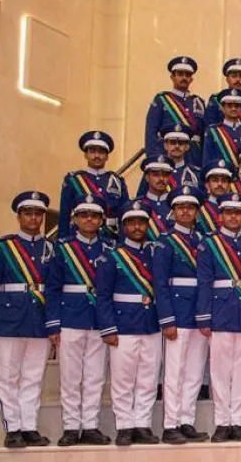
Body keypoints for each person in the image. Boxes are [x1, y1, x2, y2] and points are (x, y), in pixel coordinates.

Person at [0, 191, 56, 448]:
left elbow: (54, 289)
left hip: (40, 320)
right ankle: (12, 428)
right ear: (19, 216)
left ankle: (29, 426)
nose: (33, 218)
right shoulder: (3, 247)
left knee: (34, 377)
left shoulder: (51, 248)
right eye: (28, 213)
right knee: (9, 377)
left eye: (38, 213)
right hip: (9, 320)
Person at [95, 201, 164, 446]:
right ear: (123, 226)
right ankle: (124, 424)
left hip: (151, 323)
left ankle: (142, 423)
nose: (137, 227)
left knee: (148, 377)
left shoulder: (155, 253)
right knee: (123, 379)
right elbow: (102, 295)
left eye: (141, 222)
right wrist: (108, 327)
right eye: (132, 222)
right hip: (123, 324)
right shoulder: (112, 256)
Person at [46, 198, 112, 446]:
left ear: (101, 221)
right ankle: (71, 426)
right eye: (84, 215)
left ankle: (91, 425)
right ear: (75, 219)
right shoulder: (62, 248)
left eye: (94, 216)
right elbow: (52, 288)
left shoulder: (108, 248)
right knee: (71, 377)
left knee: (95, 377)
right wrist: (53, 323)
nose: (89, 220)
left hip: (98, 320)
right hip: (70, 317)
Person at [196, 194, 241, 442]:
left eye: (238, 212)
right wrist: (204, 316)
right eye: (229, 212)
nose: (234, 217)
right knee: (220, 372)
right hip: (221, 311)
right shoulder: (209, 244)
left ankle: (239, 421)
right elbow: (204, 282)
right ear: (219, 215)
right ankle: (223, 422)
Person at [153, 188, 208, 444]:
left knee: (195, 371)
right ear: (173, 211)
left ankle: (186, 419)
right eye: (181, 207)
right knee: (174, 372)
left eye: (190, 207)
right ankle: (170, 423)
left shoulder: (203, 240)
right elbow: (160, 283)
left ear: (197, 212)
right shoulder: (165, 242)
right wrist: (167, 318)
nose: (186, 211)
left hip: (198, 314)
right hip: (177, 312)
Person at [59, 131, 126, 238]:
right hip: (79, 239)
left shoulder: (117, 181)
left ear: (107, 156)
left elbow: (123, 214)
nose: (97, 156)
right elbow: (64, 215)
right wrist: (62, 241)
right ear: (85, 154)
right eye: (92, 151)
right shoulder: (74, 180)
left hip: (110, 238)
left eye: (101, 152)